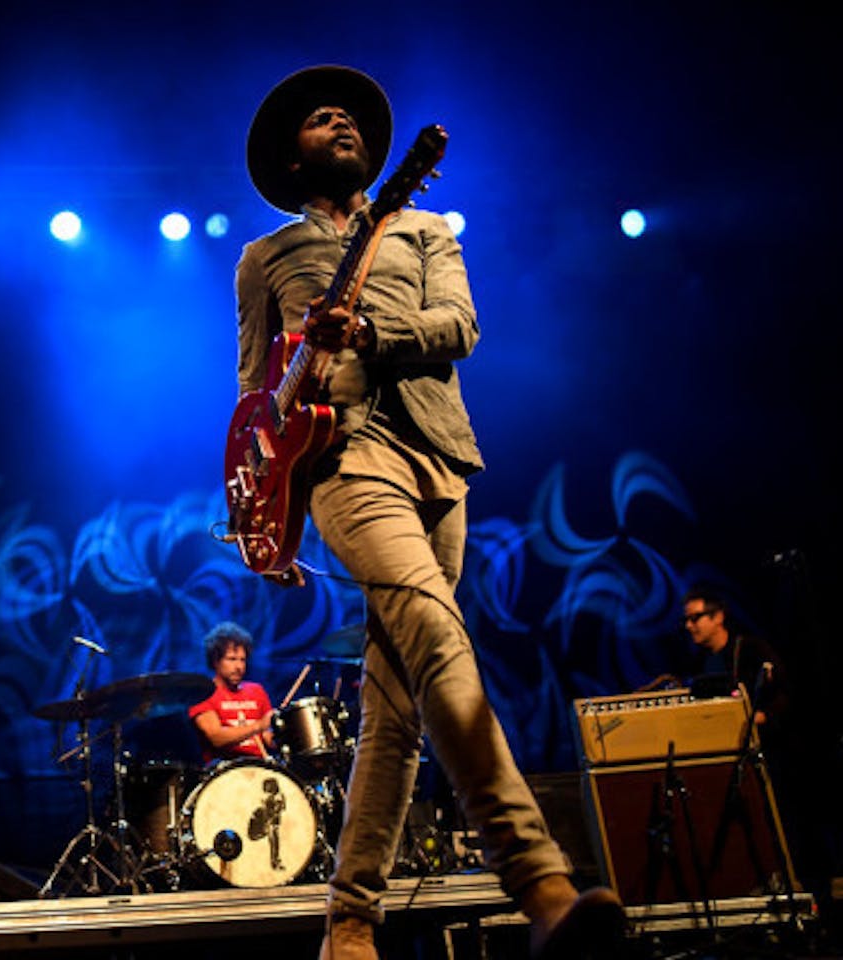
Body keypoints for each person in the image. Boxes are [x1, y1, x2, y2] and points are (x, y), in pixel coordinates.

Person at [234, 65, 625, 959]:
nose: (335, 117)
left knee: (397, 704)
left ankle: (350, 922)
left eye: (344, 114)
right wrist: (266, 509)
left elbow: (460, 328)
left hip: (440, 460)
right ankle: (544, 887)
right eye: (313, 118)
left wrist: (372, 335)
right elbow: (256, 395)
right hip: (341, 464)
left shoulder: (422, 228)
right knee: (442, 643)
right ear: (290, 164)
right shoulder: (265, 259)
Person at [682, 584, 790, 749]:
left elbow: (784, 690)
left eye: (695, 618)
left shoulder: (751, 649)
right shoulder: (696, 662)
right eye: (686, 620)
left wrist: (763, 716)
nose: (688, 625)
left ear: (718, 617)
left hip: (764, 745)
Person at [188, 621, 276, 763]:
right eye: (232, 659)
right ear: (216, 661)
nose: (239, 666)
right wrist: (258, 726)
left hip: (259, 767)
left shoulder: (257, 691)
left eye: (243, 660)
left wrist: (283, 731)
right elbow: (217, 738)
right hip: (225, 771)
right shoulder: (203, 693)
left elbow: (268, 738)